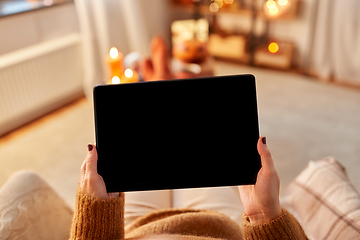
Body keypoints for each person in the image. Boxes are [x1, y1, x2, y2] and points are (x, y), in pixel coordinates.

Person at [69, 37, 309, 239]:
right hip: (218, 229)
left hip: (140, 229)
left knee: (148, 158)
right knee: (200, 157)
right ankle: (169, 85)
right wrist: (263, 213)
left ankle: (161, 84)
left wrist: (97, 211)